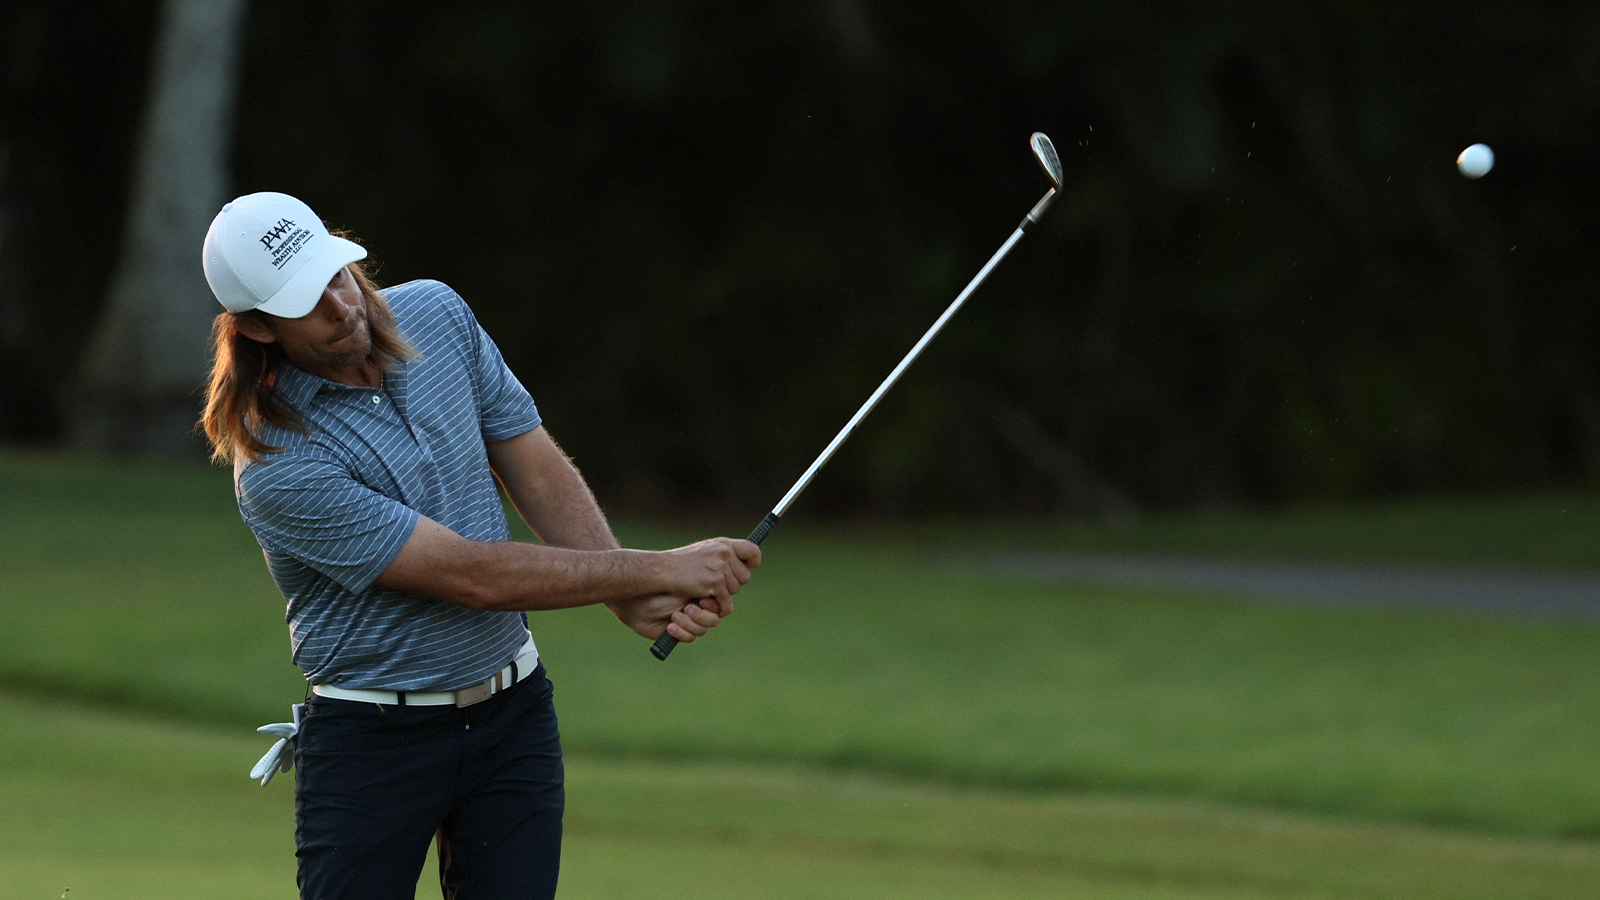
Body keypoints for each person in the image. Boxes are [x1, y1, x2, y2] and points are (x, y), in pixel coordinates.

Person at [199, 191, 760, 899]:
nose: (342, 307)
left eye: (337, 275)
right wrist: (660, 568)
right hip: (376, 744)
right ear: (255, 328)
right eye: (308, 302)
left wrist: (631, 598)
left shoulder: (436, 311)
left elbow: (534, 464)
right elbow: (471, 577)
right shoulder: (278, 460)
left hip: (512, 717)